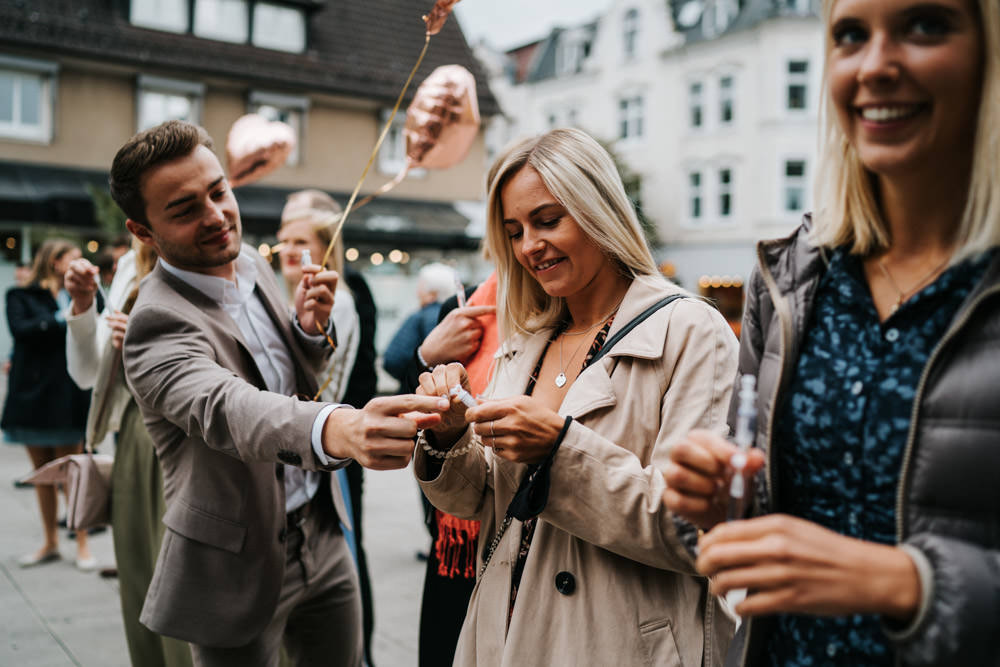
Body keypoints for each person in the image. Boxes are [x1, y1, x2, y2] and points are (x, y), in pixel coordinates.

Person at [663, 1, 1000, 665]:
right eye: (850, 35)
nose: (875, 65)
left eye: (925, 24)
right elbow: (752, 515)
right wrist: (709, 501)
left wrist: (908, 582)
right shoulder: (790, 276)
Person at [111, 120, 448, 666]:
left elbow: (281, 374)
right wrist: (338, 427)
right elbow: (230, 408)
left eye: (218, 192)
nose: (217, 216)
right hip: (235, 560)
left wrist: (307, 333)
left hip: (320, 527)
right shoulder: (154, 324)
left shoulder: (251, 265)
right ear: (143, 230)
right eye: (184, 208)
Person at [414, 128, 739, 666]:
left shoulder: (691, 330)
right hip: (506, 637)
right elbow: (482, 502)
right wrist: (448, 438)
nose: (528, 246)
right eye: (515, 231)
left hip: (617, 645)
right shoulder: (526, 342)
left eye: (547, 220)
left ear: (598, 209)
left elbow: (696, 530)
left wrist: (559, 450)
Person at [64, 241, 193, 667]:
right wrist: (83, 308)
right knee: (139, 571)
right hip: (136, 435)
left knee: (182, 581)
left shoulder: (216, 260)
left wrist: (149, 339)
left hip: (194, 429)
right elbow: (87, 373)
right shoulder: (125, 270)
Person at [275, 188, 377, 665]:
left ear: (325, 248)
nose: (289, 249)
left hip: (322, 448)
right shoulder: (287, 295)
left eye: (301, 240)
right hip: (304, 445)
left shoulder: (336, 305)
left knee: (339, 556)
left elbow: (320, 389)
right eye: (282, 239)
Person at [2, 239, 96, 571]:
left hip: (69, 394)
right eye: (74, 259)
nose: (81, 265)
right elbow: (23, 331)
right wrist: (67, 316)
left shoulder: (82, 295)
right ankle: (50, 542)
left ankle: (82, 543)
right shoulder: (20, 296)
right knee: (42, 476)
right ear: (55, 263)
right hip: (32, 395)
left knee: (72, 473)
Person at [382, 262, 463, 386]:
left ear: (432, 292)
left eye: (420, 285)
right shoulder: (454, 317)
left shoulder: (421, 317)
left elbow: (393, 360)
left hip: (418, 387)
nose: (417, 291)